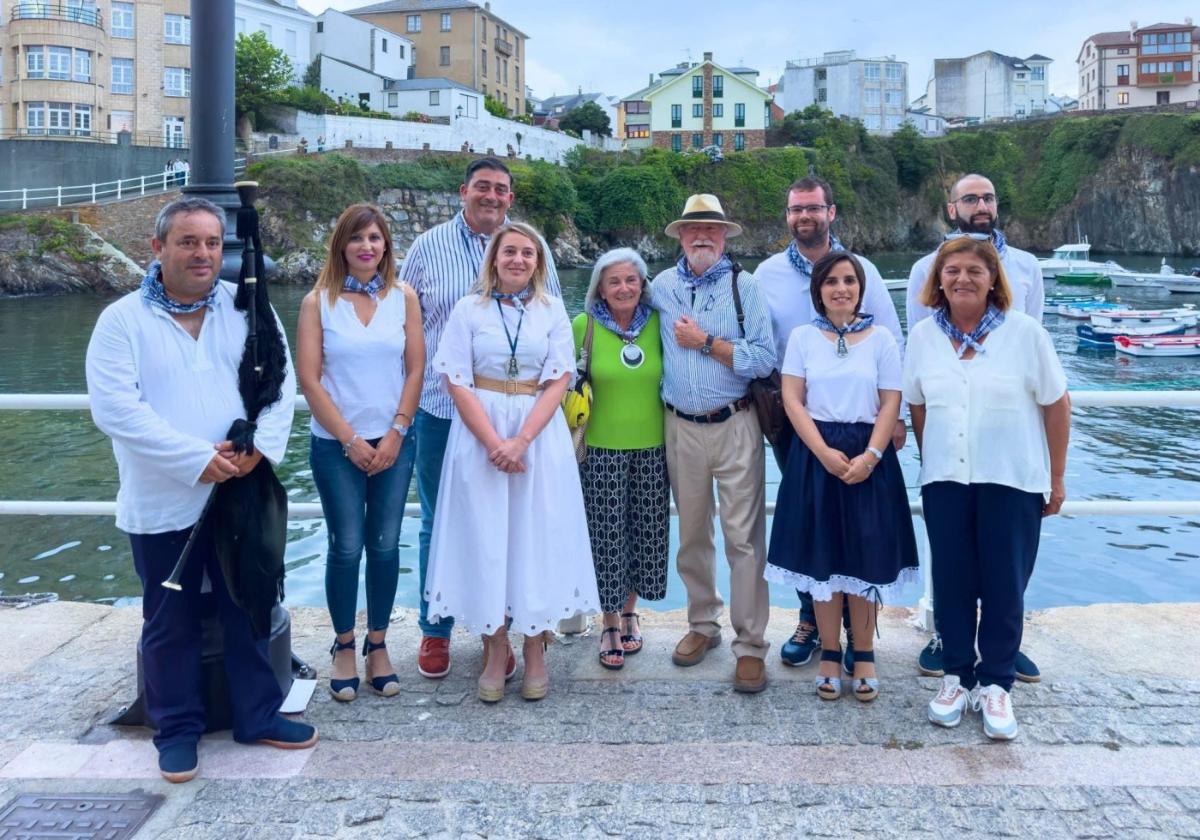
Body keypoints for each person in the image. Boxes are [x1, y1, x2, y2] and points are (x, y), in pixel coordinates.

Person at [85, 197, 316, 784]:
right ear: (157, 248)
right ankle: (177, 729)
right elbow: (117, 410)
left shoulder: (247, 311)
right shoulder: (122, 321)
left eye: (212, 243)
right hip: (164, 497)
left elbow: (280, 383)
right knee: (172, 620)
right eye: (188, 242)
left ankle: (257, 714)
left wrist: (258, 449)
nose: (203, 253)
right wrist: (195, 460)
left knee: (249, 606)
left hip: (241, 490)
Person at [423, 222, 599, 702]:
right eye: (510, 252)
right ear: (494, 258)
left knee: (533, 538)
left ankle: (535, 650)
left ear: (538, 262)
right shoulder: (468, 309)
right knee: (487, 540)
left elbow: (559, 379)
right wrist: (494, 442)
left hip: (537, 437)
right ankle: (495, 650)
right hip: (479, 435)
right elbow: (455, 380)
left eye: (528, 252)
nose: (519, 260)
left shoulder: (552, 311)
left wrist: (520, 440)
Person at [399, 157, 560, 680]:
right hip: (443, 409)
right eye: (483, 187)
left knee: (513, 522)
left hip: (520, 416)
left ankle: (508, 626)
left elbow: (550, 317)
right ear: (463, 190)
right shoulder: (427, 247)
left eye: (502, 190)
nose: (492, 196)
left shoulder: (530, 248)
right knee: (439, 520)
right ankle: (436, 630)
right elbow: (405, 323)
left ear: (510, 198)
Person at [904, 236, 1070, 740]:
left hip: (1012, 479)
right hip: (947, 480)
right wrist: (932, 455)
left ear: (993, 277)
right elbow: (917, 404)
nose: (962, 279)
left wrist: (1056, 477)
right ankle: (957, 675)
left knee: (1004, 585)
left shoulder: (1026, 334)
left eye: (975, 270)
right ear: (938, 281)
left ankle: (997, 684)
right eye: (951, 270)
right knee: (952, 583)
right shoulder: (923, 337)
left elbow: (1056, 405)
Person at [756, 176, 907, 672]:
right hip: (796, 422)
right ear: (787, 215)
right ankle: (809, 620)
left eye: (814, 208)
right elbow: (761, 345)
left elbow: (891, 338)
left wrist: (896, 420)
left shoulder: (863, 271)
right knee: (811, 525)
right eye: (796, 209)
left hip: (863, 424)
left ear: (831, 212)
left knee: (860, 530)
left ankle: (855, 636)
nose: (805, 217)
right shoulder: (768, 274)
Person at [905, 173, 1047, 682]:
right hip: (950, 453)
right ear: (951, 207)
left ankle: (1002, 654)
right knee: (954, 562)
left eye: (988, 196)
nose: (981, 205)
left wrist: (1052, 470)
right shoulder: (925, 274)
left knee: (1006, 564)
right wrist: (930, 451)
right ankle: (953, 644)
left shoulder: (1027, 268)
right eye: (970, 198)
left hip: (1007, 445)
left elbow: (1034, 360)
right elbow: (920, 379)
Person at [296, 203, 424, 702]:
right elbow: (309, 379)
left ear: (386, 245)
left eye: (375, 238)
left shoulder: (403, 298)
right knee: (346, 545)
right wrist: (350, 439)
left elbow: (415, 370)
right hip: (336, 446)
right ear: (341, 247)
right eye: (357, 239)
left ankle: (378, 645)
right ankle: (344, 644)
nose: (367, 247)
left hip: (395, 440)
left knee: (387, 543)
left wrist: (396, 431)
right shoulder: (317, 303)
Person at [650, 194, 776, 693]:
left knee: (744, 539)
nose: (702, 236)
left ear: (725, 236)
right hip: (679, 425)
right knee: (692, 536)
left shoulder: (746, 287)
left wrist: (706, 343)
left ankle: (751, 645)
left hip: (736, 423)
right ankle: (703, 625)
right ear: (680, 235)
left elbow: (764, 359)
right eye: (693, 228)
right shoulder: (659, 286)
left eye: (712, 229)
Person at [573, 248, 669, 671]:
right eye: (614, 281)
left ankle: (630, 611)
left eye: (632, 280)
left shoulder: (660, 325)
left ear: (643, 284)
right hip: (599, 448)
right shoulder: (584, 326)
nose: (624, 288)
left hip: (654, 446)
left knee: (645, 531)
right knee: (606, 536)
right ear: (600, 288)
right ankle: (609, 622)